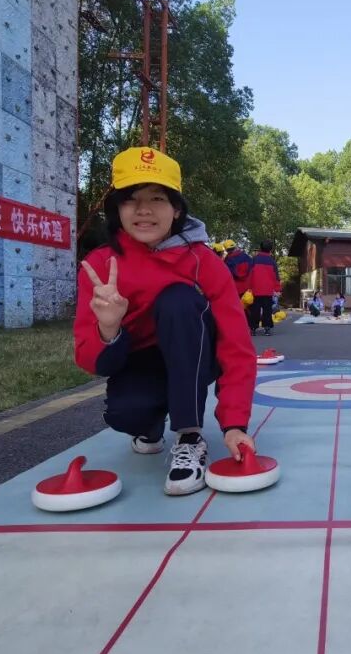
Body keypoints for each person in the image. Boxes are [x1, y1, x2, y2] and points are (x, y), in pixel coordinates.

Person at [73, 147, 258, 496]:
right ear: (117, 209)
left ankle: (189, 436)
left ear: (176, 209)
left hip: (195, 354)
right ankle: (152, 425)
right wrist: (108, 328)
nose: (143, 210)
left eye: (157, 198)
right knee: (125, 414)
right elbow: (88, 360)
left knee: (179, 299)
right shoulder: (100, 265)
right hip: (140, 360)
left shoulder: (204, 262)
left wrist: (234, 424)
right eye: (131, 199)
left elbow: (237, 346)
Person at [248, 239, 281, 336]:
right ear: (270, 250)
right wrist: (278, 289)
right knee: (267, 311)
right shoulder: (272, 262)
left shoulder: (254, 260)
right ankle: (267, 328)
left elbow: (249, 275)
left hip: (255, 290)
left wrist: (249, 288)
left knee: (255, 310)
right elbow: (276, 277)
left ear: (260, 248)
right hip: (267, 291)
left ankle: (253, 328)